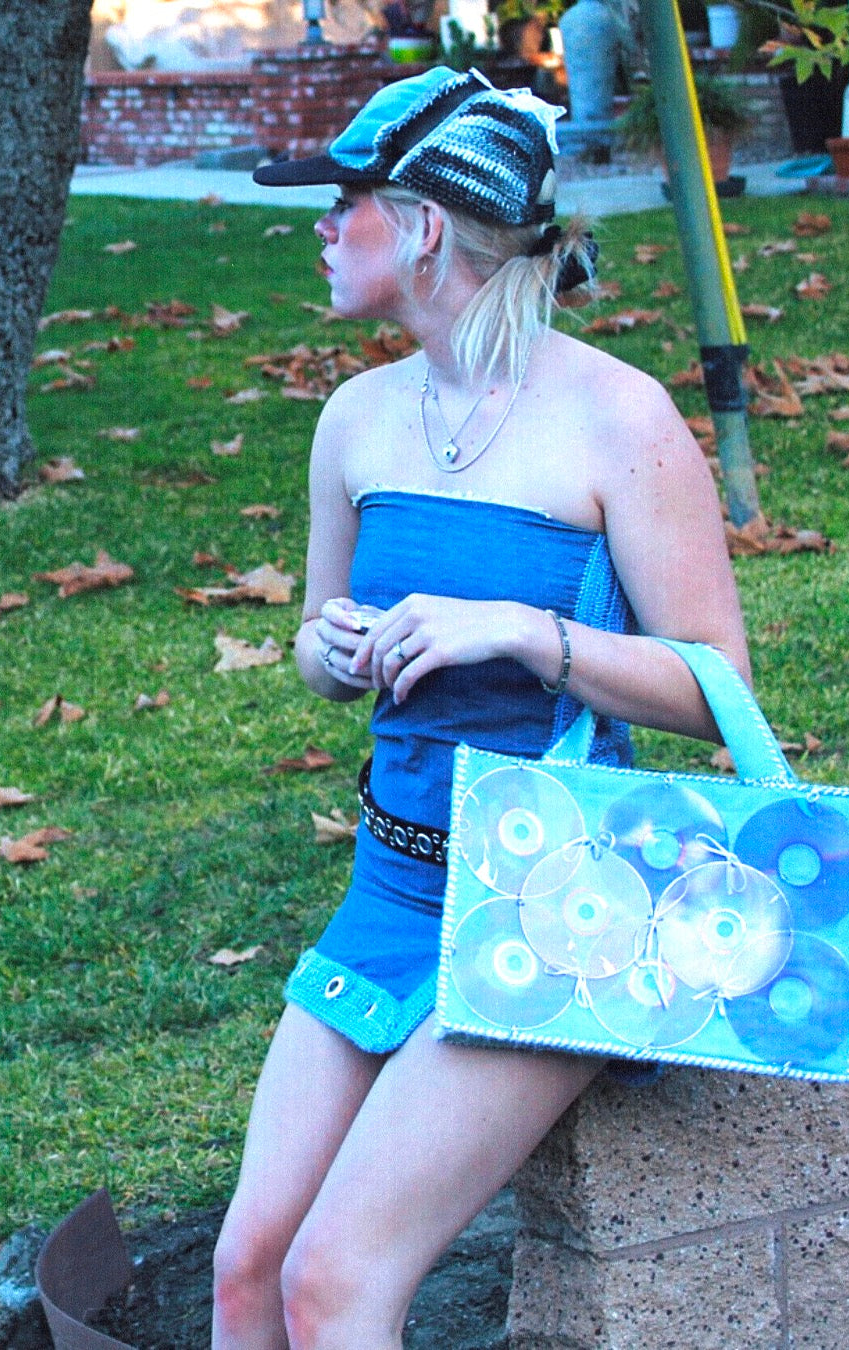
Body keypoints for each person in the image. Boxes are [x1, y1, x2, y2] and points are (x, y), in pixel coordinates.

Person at [212, 66, 750, 1349]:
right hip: (392, 884)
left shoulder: (618, 418)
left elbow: (720, 691)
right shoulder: (355, 420)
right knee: (245, 1268)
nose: (320, 228)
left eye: (342, 203)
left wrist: (523, 631)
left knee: (334, 1282)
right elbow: (313, 645)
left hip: (553, 903)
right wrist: (331, 650)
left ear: (423, 226)